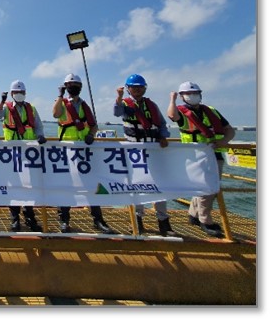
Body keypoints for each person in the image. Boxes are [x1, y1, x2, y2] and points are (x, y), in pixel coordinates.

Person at [167, 81, 235, 237]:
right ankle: (206, 219)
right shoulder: (182, 112)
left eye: (196, 93)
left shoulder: (211, 111)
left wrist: (223, 141)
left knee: (206, 187)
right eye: (189, 94)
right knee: (207, 188)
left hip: (214, 154)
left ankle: (193, 215)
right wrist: (172, 99)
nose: (193, 96)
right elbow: (171, 115)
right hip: (194, 156)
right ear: (182, 97)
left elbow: (229, 130)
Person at [114, 74, 175, 236]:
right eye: (134, 87)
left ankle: (163, 222)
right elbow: (117, 112)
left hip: (154, 151)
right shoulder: (126, 105)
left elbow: (161, 124)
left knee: (159, 186)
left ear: (144, 88)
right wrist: (119, 98)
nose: (137, 90)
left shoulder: (151, 105)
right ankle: (137, 220)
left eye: (140, 87)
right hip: (135, 153)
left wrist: (163, 136)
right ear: (129, 89)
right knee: (137, 186)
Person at [55, 73, 114, 234]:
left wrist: (90, 135)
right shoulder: (62, 103)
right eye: (70, 85)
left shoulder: (84, 106)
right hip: (67, 151)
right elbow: (55, 114)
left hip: (85, 151)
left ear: (80, 88)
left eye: (76, 85)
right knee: (66, 186)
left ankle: (98, 219)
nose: (73, 87)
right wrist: (60, 96)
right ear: (65, 87)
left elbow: (93, 125)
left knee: (92, 185)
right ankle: (64, 220)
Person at [0, 80, 45, 232]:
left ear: (25, 93)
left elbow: (38, 126)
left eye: (22, 92)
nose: (20, 95)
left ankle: (30, 217)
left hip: (28, 153)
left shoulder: (32, 108)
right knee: (14, 185)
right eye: (17, 93)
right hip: (11, 154)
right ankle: (15, 218)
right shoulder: (7, 108)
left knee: (29, 185)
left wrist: (40, 136)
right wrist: (2, 101)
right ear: (11, 94)